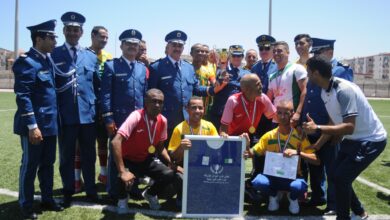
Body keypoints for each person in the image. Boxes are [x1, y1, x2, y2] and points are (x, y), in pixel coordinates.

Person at [303, 56, 386, 220]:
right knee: (335, 175)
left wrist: (317, 128)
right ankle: (360, 212)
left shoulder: (343, 90)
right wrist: (318, 145)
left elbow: (349, 127)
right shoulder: (324, 90)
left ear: (316, 73)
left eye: (308, 72)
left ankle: (343, 217)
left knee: (341, 178)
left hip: (371, 139)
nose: (307, 76)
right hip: (354, 139)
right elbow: (335, 120)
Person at [13, 19, 64, 219]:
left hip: (50, 124)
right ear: (39, 38)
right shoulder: (27, 61)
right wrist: (32, 126)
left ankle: (47, 198)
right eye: (51, 37)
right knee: (30, 164)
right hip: (34, 125)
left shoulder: (46, 60)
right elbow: (23, 95)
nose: (54, 41)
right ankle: (25, 204)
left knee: (48, 164)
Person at [51, 11, 100, 207]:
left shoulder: (90, 56)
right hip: (66, 116)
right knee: (66, 157)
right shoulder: (54, 54)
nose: (72, 33)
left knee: (90, 155)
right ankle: (68, 190)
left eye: (76, 30)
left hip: (88, 115)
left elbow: (96, 85)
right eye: (69, 29)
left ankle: (90, 190)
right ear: (64, 31)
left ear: (81, 32)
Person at [301, 37, 353, 214]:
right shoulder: (313, 72)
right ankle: (318, 197)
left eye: (318, 53)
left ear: (329, 52)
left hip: (330, 129)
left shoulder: (340, 71)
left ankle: (333, 204)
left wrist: (333, 130)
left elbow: (342, 105)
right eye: (314, 53)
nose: (315, 56)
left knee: (333, 169)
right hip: (312, 127)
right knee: (315, 166)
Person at [245, 100, 319, 214]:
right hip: (272, 177)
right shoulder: (268, 136)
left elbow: (316, 160)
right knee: (258, 182)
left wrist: (298, 153)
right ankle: (273, 195)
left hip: (293, 177)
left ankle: (292, 198)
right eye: (279, 113)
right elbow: (252, 153)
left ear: (292, 113)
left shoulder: (299, 136)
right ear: (276, 114)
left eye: (286, 113)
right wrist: (247, 146)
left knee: (299, 187)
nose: (283, 116)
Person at [111, 89, 179, 213]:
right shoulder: (136, 116)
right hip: (128, 160)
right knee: (122, 176)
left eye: (160, 102)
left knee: (169, 174)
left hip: (146, 159)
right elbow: (115, 141)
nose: (157, 105)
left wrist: (171, 163)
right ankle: (122, 199)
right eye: (154, 101)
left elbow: (160, 147)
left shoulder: (163, 120)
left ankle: (150, 194)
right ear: (146, 102)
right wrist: (122, 171)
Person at [148, 30, 224, 140]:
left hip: (188, 119)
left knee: (188, 152)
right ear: (168, 47)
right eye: (174, 45)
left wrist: (215, 88)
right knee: (169, 151)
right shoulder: (157, 67)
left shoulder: (188, 67)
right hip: (167, 119)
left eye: (180, 46)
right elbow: (151, 95)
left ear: (183, 48)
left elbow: (196, 89)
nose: (177, 48)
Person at [100, 29, 148, 200]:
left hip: (138, 121)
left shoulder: (142, 68)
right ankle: (113, 191)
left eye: (135, 45)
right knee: (116, 154)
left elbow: (144, 94)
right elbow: (105, 95)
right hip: (119, 119)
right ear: (121, 45)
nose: (132, 47)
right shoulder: (111, 66)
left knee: (135, 156)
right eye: (129, 44)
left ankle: (133, 189)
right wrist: (108, 118)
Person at [73, 26, 112, 191]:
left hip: (102, 107)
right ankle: (76, 179)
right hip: (85, 107)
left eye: (106, 38)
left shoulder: (109, 57)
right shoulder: (81, 54)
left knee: (102, 141)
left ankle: (103, 175)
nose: (103, 40)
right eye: (101, 37)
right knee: (80, 145)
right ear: (92, 36)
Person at [208, 45, 250, 130]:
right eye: (234, 55)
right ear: (230, 56)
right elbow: (214, 86)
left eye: (239, 56)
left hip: (238, 113)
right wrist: (221, 77)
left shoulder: (247, 73)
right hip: (220, 112)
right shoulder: (220, 70)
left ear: (242, 57)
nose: (236, 58)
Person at [267, 41, 307, 128]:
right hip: (276, 119)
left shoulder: (297, 68)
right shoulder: (272, 75)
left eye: (279, 51)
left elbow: (305, 91)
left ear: (288, 53)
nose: (276, 53)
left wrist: (298, 113)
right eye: (274, 52)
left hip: (292, 118)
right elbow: (268, 98)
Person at [190, 43, 216, 118]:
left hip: (203, 107)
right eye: (198, 51)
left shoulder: (208, 70)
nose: (201, 53)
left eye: (203, 51)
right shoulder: (186, 68)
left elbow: (214, 83)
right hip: (189, 107)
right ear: (191, 53)